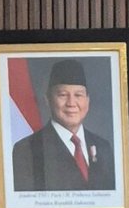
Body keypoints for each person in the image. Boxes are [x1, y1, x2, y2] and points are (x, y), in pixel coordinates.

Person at [12, 59, 116, 193]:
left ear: (87, 100)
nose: (71, 103)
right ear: (48, 99)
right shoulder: (27, 150)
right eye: (63, 95)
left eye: (78, 95)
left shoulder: (103, 147)